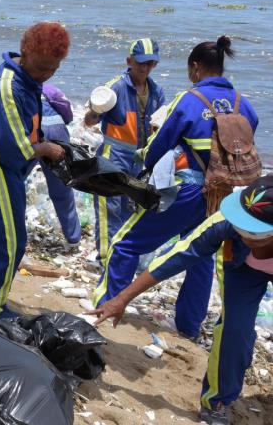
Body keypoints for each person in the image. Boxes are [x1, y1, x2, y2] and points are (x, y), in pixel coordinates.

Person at [92, 36, 259, 339]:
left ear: (195, 67)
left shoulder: (190, 99)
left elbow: (158, 146)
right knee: (200, 254)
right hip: (224, 197)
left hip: (189, 190)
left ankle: (104, 310)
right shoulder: (242, 103)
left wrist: (144, 164)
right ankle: (188, 326)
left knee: (124, 244)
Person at [89, 175, 273, 425]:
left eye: (251, 232)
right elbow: (178, 255)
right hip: (243, 271)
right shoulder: (226, 224)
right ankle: (217, 401)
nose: (241, 234)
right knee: (234, 330)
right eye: (239, 226)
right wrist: (121, 299)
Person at [0, 22, 69, 320]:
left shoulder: (25, 78)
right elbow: (15, 149)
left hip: (1, 165)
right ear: (25, 53)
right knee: (12, 239)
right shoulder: (7, 85)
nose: (45, 75)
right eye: (40, 68)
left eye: (52, 70)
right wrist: (47, 149)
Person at [84, 39, 165, 263]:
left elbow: (160, 125)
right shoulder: (115, 87)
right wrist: (94, 111)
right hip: (114, 152)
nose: (145, 69)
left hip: (140, 156)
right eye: (141, 64)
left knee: (133, 206)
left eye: (150, 64)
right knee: (108, 204)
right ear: (129, 61)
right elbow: (90, 121)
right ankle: (105, 257)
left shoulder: (157, 92)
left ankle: (124, 255)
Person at [28, 83, 82, 251]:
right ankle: (73, 239)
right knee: (62, 189)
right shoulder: (51, 89)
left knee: (15, 183)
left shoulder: (19, 86)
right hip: (58, 130)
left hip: (34, 131)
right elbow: (68, 115)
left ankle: (13, 231)